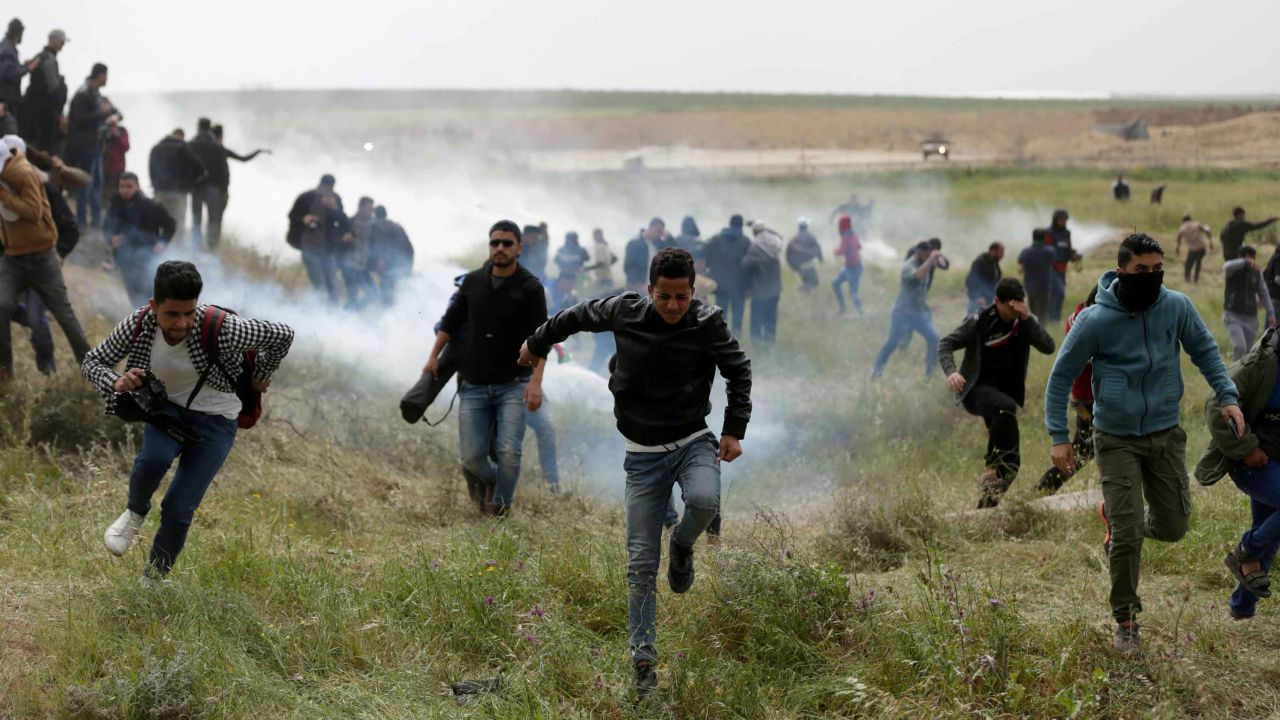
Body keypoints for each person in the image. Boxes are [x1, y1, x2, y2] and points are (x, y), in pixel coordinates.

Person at [519, 247, 752, 701]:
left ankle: (683, 545)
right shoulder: (625, 309)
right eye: (664, 296)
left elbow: (738, 371)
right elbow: (577, 316)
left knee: (704, 503)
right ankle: (643, 664)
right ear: (650, 291)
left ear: (692, 292)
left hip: (692, 441)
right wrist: (538, 341)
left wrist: (733, 430)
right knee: (640, 565)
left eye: (681, 297)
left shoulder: (708, 322)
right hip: (642, 457)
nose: (672, 306)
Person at [1045, 233, 1242, 653]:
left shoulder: (1176, 306)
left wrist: (1227, 396)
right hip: (1116, 438)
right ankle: (1127, 621)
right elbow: (1060, 376)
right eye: (1141, 271)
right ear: (1122, 271)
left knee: (1173, 527)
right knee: (1128, 536)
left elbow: (1206, 350)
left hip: (1166, 433)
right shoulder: (1095, 320)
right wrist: (1058, 437)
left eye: (1157, 269)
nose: (1151, 277)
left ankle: (1116, 518)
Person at [84, 261, 295, 579]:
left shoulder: (224, 329)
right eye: (172, 314)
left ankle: (152, 581)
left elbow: (283, 334)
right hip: (167, 408)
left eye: (189, 313)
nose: (182, 323)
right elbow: (92, 361)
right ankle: (135, 512)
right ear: (154, 306)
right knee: (152, 460)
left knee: (179, 509)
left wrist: (260, 377)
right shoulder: (139, 323)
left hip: (217, 421)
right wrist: (115, 382)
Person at [424, 220, 547, 516]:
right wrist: (432, 358)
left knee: (509, 451)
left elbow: (542, 338)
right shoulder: (473, 282)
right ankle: (494, 482)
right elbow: (450, 324)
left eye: (507, 243)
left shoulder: (530, 287)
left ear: (519, 248)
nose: (500, 248)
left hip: (513, 383)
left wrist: (535, 383)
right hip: (474, 384)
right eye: (495, 243)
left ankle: (501, 507)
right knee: (471, 457)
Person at [940, 277, 1054, 508]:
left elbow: (1048, 346)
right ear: (997, 302)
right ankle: (991, 465)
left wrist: (1028, 318)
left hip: (1003, 397)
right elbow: (946, 343)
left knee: (1011, 464)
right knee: (1005, 407)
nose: (1013, 312)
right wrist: (952, 372)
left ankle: (985, 509)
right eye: (1009, 307)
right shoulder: (980, 321)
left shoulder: (1023, 322)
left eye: (1018, 306)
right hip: (975, 392)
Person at [1194, 325, 1280, 620]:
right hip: (1251, 462)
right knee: (1263, 536)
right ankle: (1247, 550)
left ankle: (1241, 608)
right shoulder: (1260, 364)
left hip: (1275, 465)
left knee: (1270, 528)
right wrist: (1246, 447)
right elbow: (1217, 402)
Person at [0, 138, 92, 380]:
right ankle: (4, 370)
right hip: (12, 258)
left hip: (42, 257)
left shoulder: (27, 174)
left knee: (62, 314)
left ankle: (91, 369)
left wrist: (4, 196)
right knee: (1, 306)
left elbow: (34, 212)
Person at [10, 156, 79, 375]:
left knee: (34, 315)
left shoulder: (48, 190)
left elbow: (70, 229)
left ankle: (47, 369)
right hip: (15, 265)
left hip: (43, 264)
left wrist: (59, 253)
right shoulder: (8, 193)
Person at [1035, 289, 1098, 494]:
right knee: (1083, 452)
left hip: (1084, 398)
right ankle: (1043, 490)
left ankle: (1043, 490)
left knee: (1084, 451)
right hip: (1088, 399)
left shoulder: (1078, 315)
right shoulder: (1085, 323)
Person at [871, 242, 945, 378]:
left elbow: (944, 265)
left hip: (919, 313)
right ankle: (877, 370)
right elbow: (918, 275)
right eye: (926, 254)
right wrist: (930, 260)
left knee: (934, 338)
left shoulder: (926, 262)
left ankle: (930, 375)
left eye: (929, 254)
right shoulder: (908, 266)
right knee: (893, 342)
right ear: (919, 252)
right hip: (902, 313)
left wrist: (938, 256)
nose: (928, 257)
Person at [104, 173, 176, 308]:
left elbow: (170, 225)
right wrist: (111, 238)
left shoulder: (151, 205)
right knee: (132, 290)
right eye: (122, 186)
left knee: (150, 288)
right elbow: (106, 227)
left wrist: (162, 242)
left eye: (129, 186)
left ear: (137, 187)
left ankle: (157, 316)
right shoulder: (115, 206)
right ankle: (141, 317)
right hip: (123, 257)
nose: (125, 190)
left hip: (148, 255)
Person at [287, 174, 349, 304]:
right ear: (321, 185)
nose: (327, 191)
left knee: (333, 285)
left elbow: (343, 221)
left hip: (328, 249)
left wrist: (334, 208)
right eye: (325, 188)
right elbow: (293, 215)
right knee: (319, 285)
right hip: (309, 247)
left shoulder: (335, 199)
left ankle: (333, 315)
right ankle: (318, 314)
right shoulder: (307, 197)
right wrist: (304, 219)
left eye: (330, 188)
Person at [66, 63, 113, 231]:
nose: (107, 79)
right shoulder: (83, 94)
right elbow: (80, 120)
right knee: (85, 184)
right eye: (106, 75)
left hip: (96, 146)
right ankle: (82, 222)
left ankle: (96, 221)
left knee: (96, 185)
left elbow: (115, 111)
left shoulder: (96, 94)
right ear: (99, 75)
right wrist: (102, 113)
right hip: (86, 147)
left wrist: (108, 115)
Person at [147, 129, 204, 244]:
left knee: (160, 220)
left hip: (160, 191)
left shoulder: (156, 148)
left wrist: (155, 184)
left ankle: (161, 247)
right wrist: (191, 182)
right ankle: (178, 251)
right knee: (178, 222)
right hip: (179, 192)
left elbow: (151, 169)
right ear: (181, 137)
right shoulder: (183, 148)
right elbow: (199, 168)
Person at [1223, 246, 1277, 362]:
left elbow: (1264, 293)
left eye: (1252, 258)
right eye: (1248, 258)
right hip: (1233, 315)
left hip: (1251, 318)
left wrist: (1271, 313)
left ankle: (1240, 378)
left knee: (1247, 352)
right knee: (1239, 347)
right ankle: (1231, 377)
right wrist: (1245, 262)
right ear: (1240, 258)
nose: (1251, 261)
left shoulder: (1257, 273)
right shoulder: (1232, 270)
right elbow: (1226, 266)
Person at [19, 29, 67, 154]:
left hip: (32, 113)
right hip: (44, 116)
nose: (63, 44)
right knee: (42, 152)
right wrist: (59, 110)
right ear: (53, 40)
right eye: (61, 41)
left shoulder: (39, 57)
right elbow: (53, 89)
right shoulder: (49, 60)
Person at [704, 215, 752, 334]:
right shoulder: (746, 241)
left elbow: (706, 257)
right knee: (737, 315)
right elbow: (750, 266)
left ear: (729, 224)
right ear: (741, 226)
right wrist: (749, 285)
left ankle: (721, 336)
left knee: (721, 312)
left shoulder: (715, 239)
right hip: (739, 285)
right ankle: (736, 337)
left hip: (720, 284)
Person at [743, 221, 783, 344]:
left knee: (756, 319)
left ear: (755, 232)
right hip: (775, 289)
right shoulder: (776, 244)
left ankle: (756, 343)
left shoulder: (755, 247)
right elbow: (779, 236)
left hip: (760, 290)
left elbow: (745, 264)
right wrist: (765, 228)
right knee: (771, 318)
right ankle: (769, 344)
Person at [368, 205, 413, 306]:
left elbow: (380, 244)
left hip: (388, 264)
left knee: (386, 290)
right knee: (396, 289)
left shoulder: (377, 226)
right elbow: (409, 248)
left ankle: (387, 311)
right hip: (402, 263)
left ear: (375, 215)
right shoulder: (397, 226)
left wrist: (381, 260)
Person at [339, 196, 376, 309]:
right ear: (361, 208)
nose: (371, 212)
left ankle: (349, 313)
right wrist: (343, 239)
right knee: (353, 296)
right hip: (349, 265)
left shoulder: (373, 225)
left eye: (372, 209)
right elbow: (337, 240)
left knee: (373, 294)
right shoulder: (349, 223)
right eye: (368, 209)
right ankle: (345, 317)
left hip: (363, 267)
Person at [0, 19, 35, 126]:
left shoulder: (5, 46)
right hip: (6, 100)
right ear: (18, 33)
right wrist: (28, 68)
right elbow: (10, 74)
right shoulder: (8, 50)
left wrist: (23, 66)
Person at [1018, 229, 1057, 320]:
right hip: (1044, 285)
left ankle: (1033, 328)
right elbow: (1053, 263)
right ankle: (1042, 329)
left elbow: (1020, 266)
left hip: (1029, 285)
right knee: (1043, 310)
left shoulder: (1026, 251)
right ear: (1044, 238)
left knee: (1032, 309)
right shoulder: (1050, 251)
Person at [1046, 209, 1075, 322]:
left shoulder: (1066, 233)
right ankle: (1054, 318)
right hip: (1051, 268)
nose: (1064, 222)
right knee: (1059, 292)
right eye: (1061, 220)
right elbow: (1046, 250)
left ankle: (1052, 316)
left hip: (1062, 268)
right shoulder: (1049, 233)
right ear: (1055, 220)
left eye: (1065, 220)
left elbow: (1068, 248)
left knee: (1058, 293)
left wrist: (1072, 255)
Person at [624, 218, 667, 292]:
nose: (659, 235)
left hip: (654, 289)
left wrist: (669, 237)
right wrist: (637, 284)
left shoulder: (659, 246)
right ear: (651, 227)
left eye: (661, 232)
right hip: (637, 288)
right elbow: (629, 267)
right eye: (658, 231)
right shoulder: (634, 243)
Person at [831, 213, 862, 314]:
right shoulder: (853, 234)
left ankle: (860, 312)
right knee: (835, 283)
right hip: (852, 267)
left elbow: (840, 252)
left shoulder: (845, 237)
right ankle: (843, 308)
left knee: (853, 293)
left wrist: (835, 251)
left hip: (853, 269)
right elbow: (859, 247)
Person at [965, 242, 1004, 315]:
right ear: (993, 251)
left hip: (987, 301)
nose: (1002, 255)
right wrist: (977, 296)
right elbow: (970, 280)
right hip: (978, 301)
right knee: (972, 324)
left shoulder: (994, 263)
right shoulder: (981, 261)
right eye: (1001, 252)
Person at [786, 218, 822, 293]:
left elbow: (788, 254)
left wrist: (793, 267)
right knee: (814, 282)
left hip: (798, 266)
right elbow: (818, 249)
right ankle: (800, 291)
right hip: (808, 264)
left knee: (807, 282)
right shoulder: (811, 237)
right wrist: (820, 259)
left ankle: (803, 294)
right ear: (806, 227)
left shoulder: (794, 239)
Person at [101, 115, 129, 209]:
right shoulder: (103, 131)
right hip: (105, 167)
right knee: (106, 191)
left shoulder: (122, 131)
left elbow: (126, 147)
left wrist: (117, 136)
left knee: (119, 192)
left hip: (119, 167)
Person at [1176, 215, 1212, 284]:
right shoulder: (1196, 224)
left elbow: (1178, 239)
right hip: (1202, 248)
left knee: (1188, 264)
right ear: (1190, 219)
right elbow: (1207, 231)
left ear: (1183, 221)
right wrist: (1210, 242)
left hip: (1193, 249)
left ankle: (1187, 279)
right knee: (1198, 263)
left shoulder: (1182, 228)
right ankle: (1196, 280)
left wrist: (1177, 248)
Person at [584, 228, 618, 294]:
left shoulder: (599, 247)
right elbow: (615, 258)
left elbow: (600, 263)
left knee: (594, 297)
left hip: (601, 279)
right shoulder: (605, 246)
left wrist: (586, 268)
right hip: (608, 277)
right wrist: (607, 265)